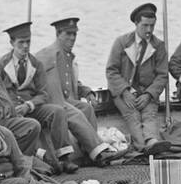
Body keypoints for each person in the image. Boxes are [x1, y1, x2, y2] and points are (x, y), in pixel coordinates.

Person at [0, 21, 78, 173]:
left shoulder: (36, 64)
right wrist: (10, 107)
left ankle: (64, 157)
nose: (25, 46)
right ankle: (42, 159)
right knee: (30, 124)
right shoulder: (0, 65)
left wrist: (29, 105)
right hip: (10, 112)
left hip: (31, 108)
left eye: (28, 42)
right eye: (21, 42)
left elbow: (43, 94)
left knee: (57, 111)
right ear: (12, 42)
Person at [34, 16, 119, 166]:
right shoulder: (48, 55)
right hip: (51, 102)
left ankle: (89, 153)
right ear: (58, 34)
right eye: (68, 34)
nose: (72, 38)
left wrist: (86, 91)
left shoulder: (67, 56)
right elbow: (48, 88)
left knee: (87, 108)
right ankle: (98, 152)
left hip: (65, 99)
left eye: (74, 34)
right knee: (76, 113)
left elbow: (69, 83)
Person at [105, 2, 168, 152]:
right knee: (132, 115)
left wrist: (149, 94)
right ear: (136, 23)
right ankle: (144, 147)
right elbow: (111, 71)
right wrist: (125, 91)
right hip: (124, 93)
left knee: (149, 114)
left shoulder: (158, 46)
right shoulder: (121, 42)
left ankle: (152, 142)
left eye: (152, 26)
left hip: (147, 93)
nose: (149, 30)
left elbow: (162, 75)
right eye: (145, 25)